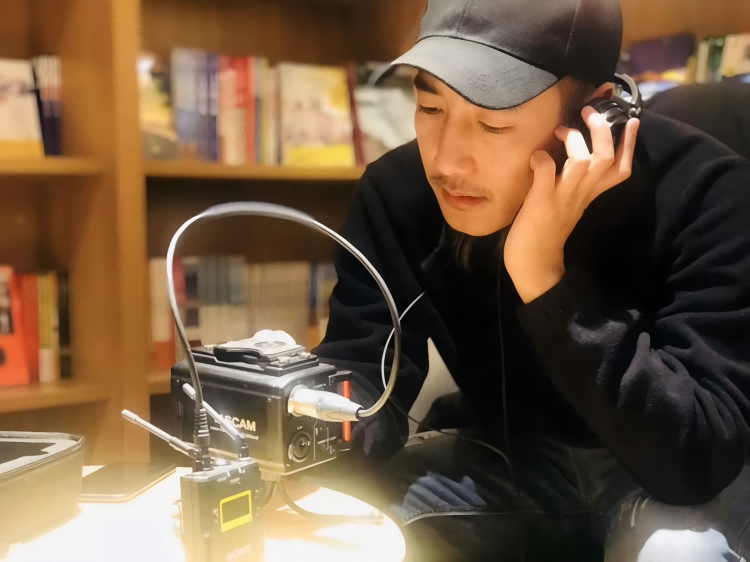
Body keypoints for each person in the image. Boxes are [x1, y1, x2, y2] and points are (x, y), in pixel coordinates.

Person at [300, 0, 750, 560]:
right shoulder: (398, 193)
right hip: (507, 462)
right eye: (430, 107)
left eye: (493, 123)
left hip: (670, 475)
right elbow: (367, 380)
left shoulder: (710, 194)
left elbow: (696, 458)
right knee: (326, 528)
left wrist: (543, 278)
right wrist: (296, 409)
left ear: (596, 114)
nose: (447, 162)